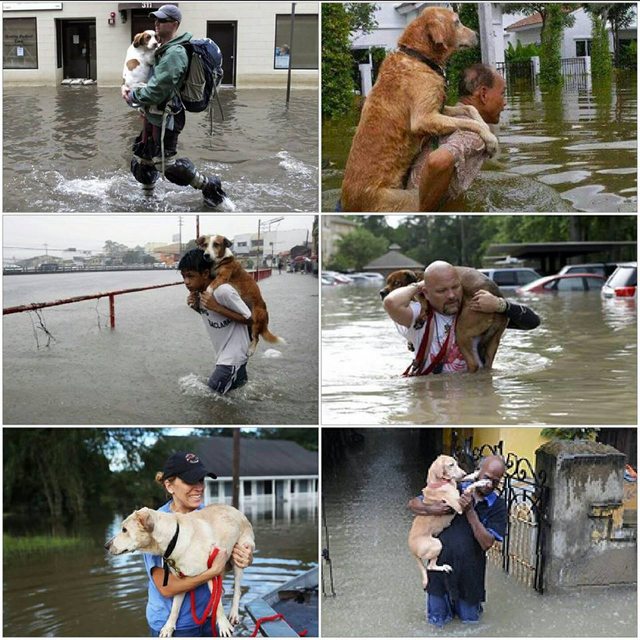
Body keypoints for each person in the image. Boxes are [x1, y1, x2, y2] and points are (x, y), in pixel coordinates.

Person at [121, 4, 225, 207]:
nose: (157, 23)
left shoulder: (174, 53)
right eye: (156, 20)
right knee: (144, 157)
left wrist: (134, 95)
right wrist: (142, 105)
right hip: (153, 112)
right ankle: (148, 199)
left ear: (175, 24)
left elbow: (158, 89)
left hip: (167, 116)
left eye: (162, 20)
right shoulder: (163, 49)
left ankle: (210, 188)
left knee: (166, 164)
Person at [145, 451, 253, 636]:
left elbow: (220, 564)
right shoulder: (156, 524)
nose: (199, 487)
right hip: (174, 627)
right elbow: (167, 587)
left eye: (201, 480)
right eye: (190, 481)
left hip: (211, 617)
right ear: (169, 485)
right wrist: (212, 572)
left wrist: (241, 559)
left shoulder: (211, 516)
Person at [383, 260, 540, 375]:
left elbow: (533, 322)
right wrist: (419, 285)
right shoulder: (418, 317)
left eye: (455, 287)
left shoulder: (479, 311)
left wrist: (501, 305)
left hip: (475, 399)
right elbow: (390, 302)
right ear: (426, 293)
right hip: (435, 399)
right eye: (441, 290)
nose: (451, 295)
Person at [407, 454, 507, 626]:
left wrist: (470, 512)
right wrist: (432, 508)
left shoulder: (498, 506)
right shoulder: (453, 486)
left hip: (470, 577)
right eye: (487, 478)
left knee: (470, 624)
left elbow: (487, 543)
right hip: (439, 574)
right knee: (436, 626)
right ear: (478, 472)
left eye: (496, 482)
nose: (490, 484)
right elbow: (413, 504)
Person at [410, 63, 507, 211]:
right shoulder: (475, 135)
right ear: (483, 94)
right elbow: (438, 161)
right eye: (503, 93)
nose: (505, 102)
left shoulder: (442, 119)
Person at [178, 248, 251, 394]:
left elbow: (251, 319)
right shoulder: (203, 294)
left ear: (205, 274)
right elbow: (215, 318)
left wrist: (216, 307)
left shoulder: (223, 291)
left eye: (190, 276)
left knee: (211, 401)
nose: (186, 282)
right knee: (236, 397)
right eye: (184, 276)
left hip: (232, 358)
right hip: (225, 356)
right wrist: (197, 308)